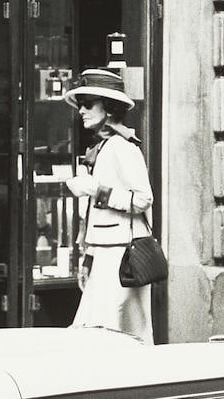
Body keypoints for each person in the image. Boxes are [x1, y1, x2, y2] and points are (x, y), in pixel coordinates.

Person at [63, 68, 154, 342]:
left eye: (88, 104)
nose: (82, 110)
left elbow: (143, 198)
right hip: (106, 255)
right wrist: (88, 258)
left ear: (109, 108)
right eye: (81, 105)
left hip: (122, 257)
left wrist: (97, 190)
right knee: (104, 331)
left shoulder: (122, 147)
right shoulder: (104, 147)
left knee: (113, 333)